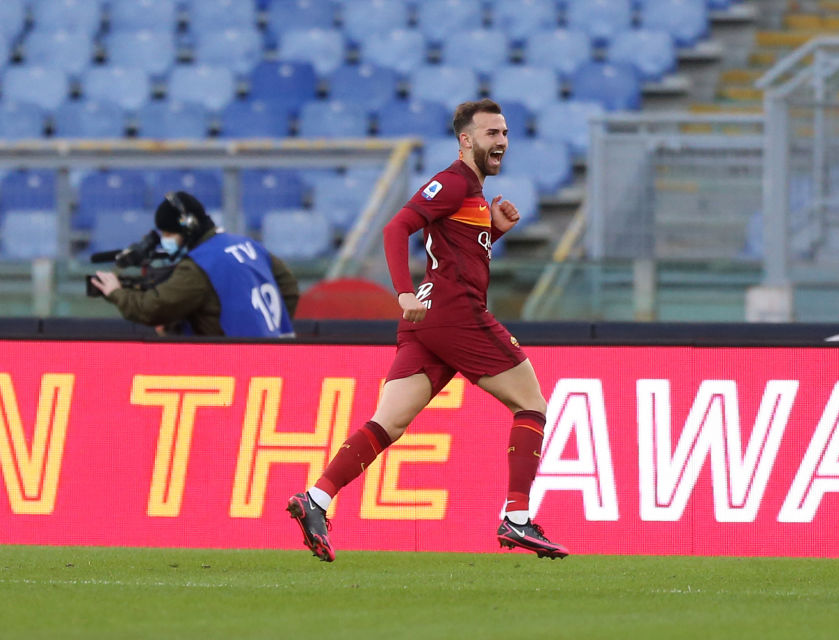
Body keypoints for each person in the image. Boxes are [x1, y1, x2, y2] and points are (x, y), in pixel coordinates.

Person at [286, 98, 568, 562]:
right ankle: (517, 517)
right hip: (456, 314)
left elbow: (455, 253)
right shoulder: (453, 182)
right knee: (531, 404)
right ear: (466, 140)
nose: (501, 141)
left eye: (504, 133)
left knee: (389, 423)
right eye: (492, 133)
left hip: (429, 321)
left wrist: (493, 232)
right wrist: (402, 292)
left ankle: (315, 499)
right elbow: (396, 229)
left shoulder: (470, 191)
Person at [90, 191, 299, 337]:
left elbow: (152, 309)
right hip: (274, 354)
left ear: (189, 229)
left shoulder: (199, 265)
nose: (165, 240)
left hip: (233, 362)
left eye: (169, 233)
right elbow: (288, 288)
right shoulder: (248, 244)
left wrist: (116, 293)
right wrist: (269, 329)